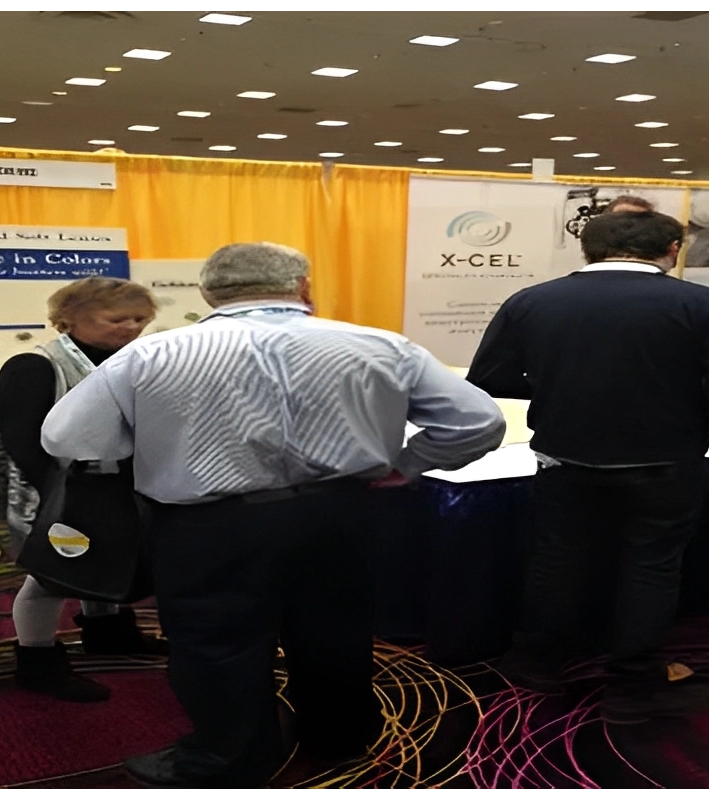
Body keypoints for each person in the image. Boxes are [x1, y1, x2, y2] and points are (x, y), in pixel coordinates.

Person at [40, 242, 506, 790]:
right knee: (337, 630)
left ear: (207, 292)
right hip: (340, 514)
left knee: (216, 642)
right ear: (302, 287)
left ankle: (229, 758)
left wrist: (149, 442)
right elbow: (477, 422)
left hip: (210, 525)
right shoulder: (383, 345)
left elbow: (66, 438)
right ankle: (341, 735)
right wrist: (407, 465)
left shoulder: (149, 355)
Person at [466, 210, 709, 723]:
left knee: (557, 558)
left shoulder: (532, 300)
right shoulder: (707, 303)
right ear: (672, 249)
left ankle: (538, 662)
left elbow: (490, 377)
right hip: (666, 458)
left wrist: (558, 387)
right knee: (653, 565)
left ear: (587, 248)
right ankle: (634, 682)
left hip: (564, 457)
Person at [0, 277, 166, 703]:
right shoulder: (33, 366)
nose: (131, 327)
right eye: (116, 318)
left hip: (114, 485)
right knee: (50, 577)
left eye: (140, 319)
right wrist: (58, 502)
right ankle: (37, 660)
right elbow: (23, 443)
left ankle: (108, 632)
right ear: (70, 318)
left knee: (108, 560)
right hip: (57, 490)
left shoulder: (131, 360)